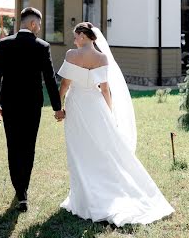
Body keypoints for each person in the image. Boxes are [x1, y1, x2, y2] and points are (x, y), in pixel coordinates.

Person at [58, 21, 174, 226]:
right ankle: (97, 192)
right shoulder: (101, 57)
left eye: (76, 36)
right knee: (101, 149)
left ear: (83, 36)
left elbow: (65, 85)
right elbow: (104, 89)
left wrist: (59, 107)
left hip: (76, 105)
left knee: (78, 150)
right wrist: (108, 113)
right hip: (95, 106)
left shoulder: (70, 55)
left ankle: (84, 198)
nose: (74, 40)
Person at [0, 7, 65, 212]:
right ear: (32, 24)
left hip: (10, 104)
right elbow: (50, 79)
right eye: (39, 24)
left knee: (13, 146)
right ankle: (24, 190)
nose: (39, 28)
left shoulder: (4, 44)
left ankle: (19, 190)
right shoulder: (42, 46)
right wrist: (57, 108)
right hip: (33, 105)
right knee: (28, 147)